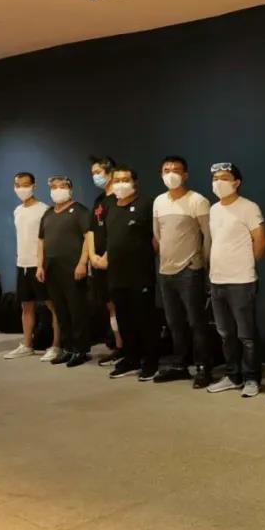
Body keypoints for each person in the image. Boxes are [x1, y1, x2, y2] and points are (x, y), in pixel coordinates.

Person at [206, 162, 265, 397]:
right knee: (225, 333)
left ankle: (252, 378)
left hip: (241, 281)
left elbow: (260, 241)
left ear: (236, 182)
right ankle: (233, 376)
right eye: (215, 178)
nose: (218, 183)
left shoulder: (248, 207)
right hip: (217, 279)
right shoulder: (214, 209)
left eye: (224, 178)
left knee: (246, 335)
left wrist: (246, 264)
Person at [152, 155, 213, 387]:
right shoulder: (159, 202)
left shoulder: (197, 201)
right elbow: (157, 236)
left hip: (190, 271)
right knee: (174, 321)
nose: (171, 174)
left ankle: (203, 367)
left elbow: (208, 236)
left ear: (185, 175)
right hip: (165, 271)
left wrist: (201, 264)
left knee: (196, 322)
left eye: (176, 170)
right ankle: (180, 364)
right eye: (166, 170)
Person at [100, 166, 159, 382]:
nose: (121, 184)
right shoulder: (109, 206)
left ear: (134, 182)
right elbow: (111, 238)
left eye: (125, 179)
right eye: (117, 180)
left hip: (140, 273)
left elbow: (156, 239)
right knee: (124, 319)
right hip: (117, 274)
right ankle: (131, 358)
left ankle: (150, 362)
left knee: (145, 319)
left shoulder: (146, 204)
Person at [3, 172, 62, 362]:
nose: (21, 188)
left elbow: (46, 240)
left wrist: (41, 264)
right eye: (18, 185)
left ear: (34, 187)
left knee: (52, 306)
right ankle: (27, 345)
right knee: (26, 306)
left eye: (25, 185)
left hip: (40, 265)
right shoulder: (17, 210)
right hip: (22, 264)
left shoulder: (44, 210)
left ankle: (56, 346)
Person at [36, 176, 92, 367]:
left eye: (62, 186)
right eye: (54, 187)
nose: (58, 190)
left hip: (73, 268)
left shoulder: (80, 211)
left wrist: (83, 263)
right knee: (61, 311)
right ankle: (68, 348)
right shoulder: (48, 213)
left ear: (70, 189)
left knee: (77, 311)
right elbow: (41, 241)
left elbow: (88, 238)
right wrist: (39, 265)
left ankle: (81, 349)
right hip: (52, 270)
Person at [88, 155, 123, 365]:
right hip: (98, 263)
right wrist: (93, 256)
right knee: (110, 306)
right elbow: (91, 231)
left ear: (111, 172)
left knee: (121, 305)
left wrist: (107, 257)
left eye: (98, 172)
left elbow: (119, 233)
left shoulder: (120, 199)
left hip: (115, 262)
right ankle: (119, 345)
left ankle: (128, 347)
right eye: (92, 173)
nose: (95, 177)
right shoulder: (99, 201)